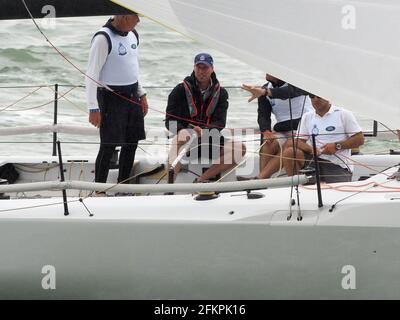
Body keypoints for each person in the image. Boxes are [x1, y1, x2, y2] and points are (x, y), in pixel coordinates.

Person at [85, 14, 148, 193]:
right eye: (135, 17)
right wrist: (93, 107)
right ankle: (99, 189)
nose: (138, 21)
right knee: (109, 145)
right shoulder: (102, 38)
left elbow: (131, 66)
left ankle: (123, 185)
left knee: (132, 142)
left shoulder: (133, 34)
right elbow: (91, 75)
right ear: (122, 16)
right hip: (111, 98)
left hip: (131, 95)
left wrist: (141, 93)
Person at [165, 53, 245, 182]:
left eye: (205, 68)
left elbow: (220, 122)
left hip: (210, 138)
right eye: (199, 67)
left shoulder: (222, 93)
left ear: (212, 69)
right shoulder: (179, 90)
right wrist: (182, 130)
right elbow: (170, 122)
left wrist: (204, 130)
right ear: (194, 68)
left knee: (240, 148)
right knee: (177, 139)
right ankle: (169, 188)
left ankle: (201, 180)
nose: (201, 71)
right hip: (188, 139)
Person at [241, 74, 312, 179]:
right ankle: (263, 181)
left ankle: (260, 179)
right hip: (284, 130)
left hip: (304, 131)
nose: (267, 72)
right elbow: (263, 115)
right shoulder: (264, 88)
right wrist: (266, 131)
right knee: (268, 143)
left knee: (289, 143)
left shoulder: (298, 83)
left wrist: (266, 92)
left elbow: (289, 92)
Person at [282, 94, 364, 183]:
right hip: (313, 161)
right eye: (312, 97)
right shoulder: (307, 116)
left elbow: (359, 139)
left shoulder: (343, 113)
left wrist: (336, 146)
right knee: (289, 152)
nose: (315, 100)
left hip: (337, 164)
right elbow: (298, 141)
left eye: (319, 96)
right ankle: (296, 188)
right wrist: (311, 149)